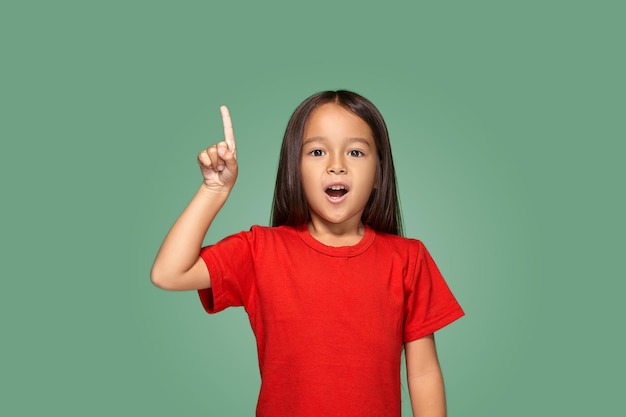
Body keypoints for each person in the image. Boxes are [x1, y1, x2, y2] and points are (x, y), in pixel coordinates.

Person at [151, 90, 464, 417]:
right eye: (317, 151)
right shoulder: (260, 250)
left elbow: (424, 373)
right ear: (295, 170)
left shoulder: (408, 259)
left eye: (356, 152)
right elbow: (169, 273)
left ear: (379, 174)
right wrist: (214, 190)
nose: (336, 166)